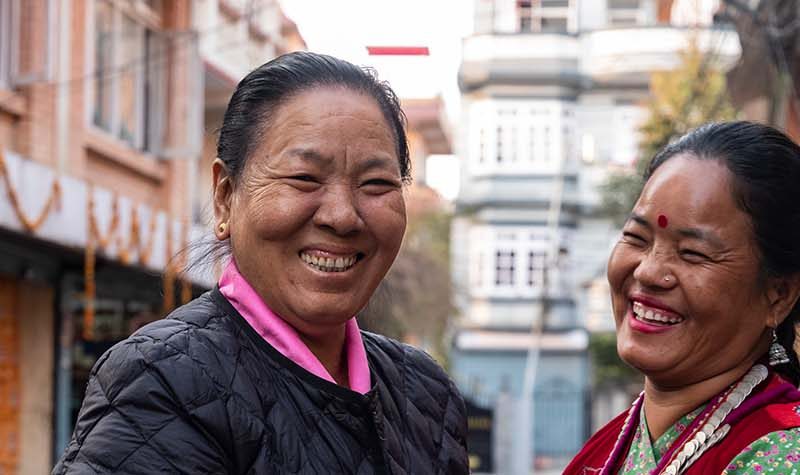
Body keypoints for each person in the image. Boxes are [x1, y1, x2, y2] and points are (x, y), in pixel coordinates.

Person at [53, 52, 469, 475]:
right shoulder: (163, 381)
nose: (343, 216)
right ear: (225, 197)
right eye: (304, 178)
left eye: (376, 184)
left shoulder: (424, 392)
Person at [565, 121, 800, 475]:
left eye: (692, 253)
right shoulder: (610, 445)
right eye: (637, 238)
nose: (647, 272)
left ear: (778, 295)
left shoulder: (780, 455)